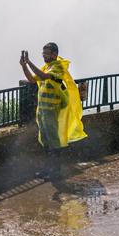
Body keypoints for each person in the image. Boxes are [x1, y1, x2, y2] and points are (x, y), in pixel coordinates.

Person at [19, 42, 87, 176]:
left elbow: (44, 77)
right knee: (45, 141)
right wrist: (24, 66)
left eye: (47, 53)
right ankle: (47, 169)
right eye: (43, 53)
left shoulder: (58, 68)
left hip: (52, 110)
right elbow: (32, 79)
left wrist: (30, 62)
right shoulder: (46, 67)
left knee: (53, 142)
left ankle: (55, 170)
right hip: (43, 111)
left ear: (55, 54)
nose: (44, 56)